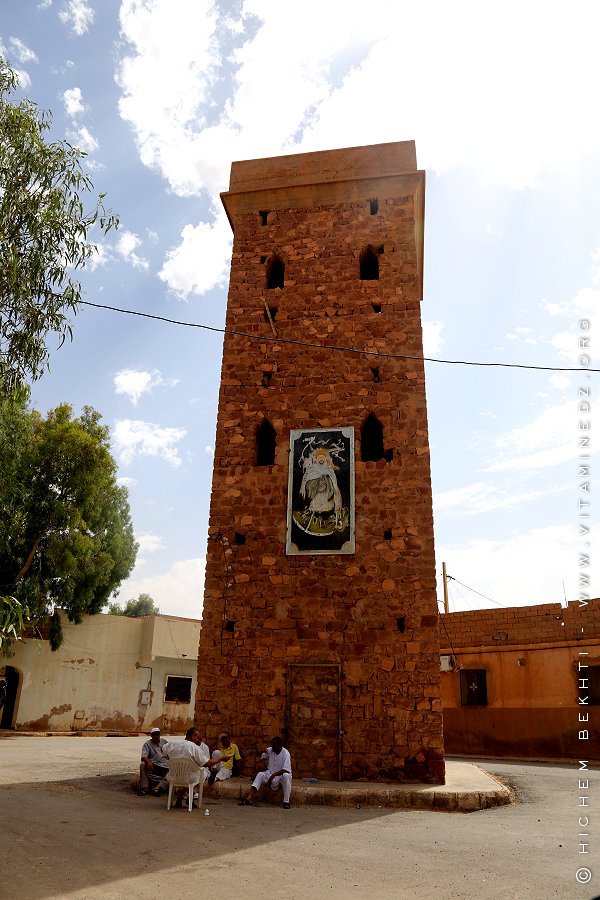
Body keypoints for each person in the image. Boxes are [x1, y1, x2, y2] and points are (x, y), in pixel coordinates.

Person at [162, 727, 221, 807]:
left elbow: (162, 749)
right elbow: (207, 763)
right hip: (189, 778)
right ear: (193, 736)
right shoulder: (194, 747)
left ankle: (179, 798)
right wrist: (221, 758)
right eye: (197, 737)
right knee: (202, 774)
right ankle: (190, 797)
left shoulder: (172, 743)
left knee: (179, 772)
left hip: (174, 776)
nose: (198, 740)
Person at [239, 736, 292, 808]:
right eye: (271, 744)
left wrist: (274, 775)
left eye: (274, 744)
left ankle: (286, 802)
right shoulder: (271, 750)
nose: (272, 746)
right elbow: (259, 755)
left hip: (280, 776)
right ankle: (248, 798)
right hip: (269, 773)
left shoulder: (286, 753)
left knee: (286, 775)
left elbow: (286, 769)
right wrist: (259, 751)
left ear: (279, 745)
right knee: (260, 774)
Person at [139, 727, 169, 796]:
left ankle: (158, 788)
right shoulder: (147, 744)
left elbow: (170, 752)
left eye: (157, 734)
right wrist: (148, 762)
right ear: (151, 735)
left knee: (174, 771)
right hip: (154, 765)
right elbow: (144, 756)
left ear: (160, 735)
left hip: (165, 765)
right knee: (143, 765)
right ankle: (145, 788)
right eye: (154, 735)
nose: (156, 736)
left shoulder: (164, 742)